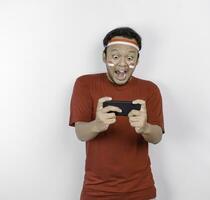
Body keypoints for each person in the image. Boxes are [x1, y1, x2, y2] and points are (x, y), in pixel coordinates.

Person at [69, 27, 165, 200]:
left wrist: (145, 127)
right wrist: (97, 124)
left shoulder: (150, 89)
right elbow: (80, 133)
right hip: (97, 190)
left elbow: (157, 137)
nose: (122, 64)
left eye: (130, 57)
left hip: (140, 188)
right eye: (115, 56)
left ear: (137, 60)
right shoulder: (84, 84)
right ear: (104, 57)